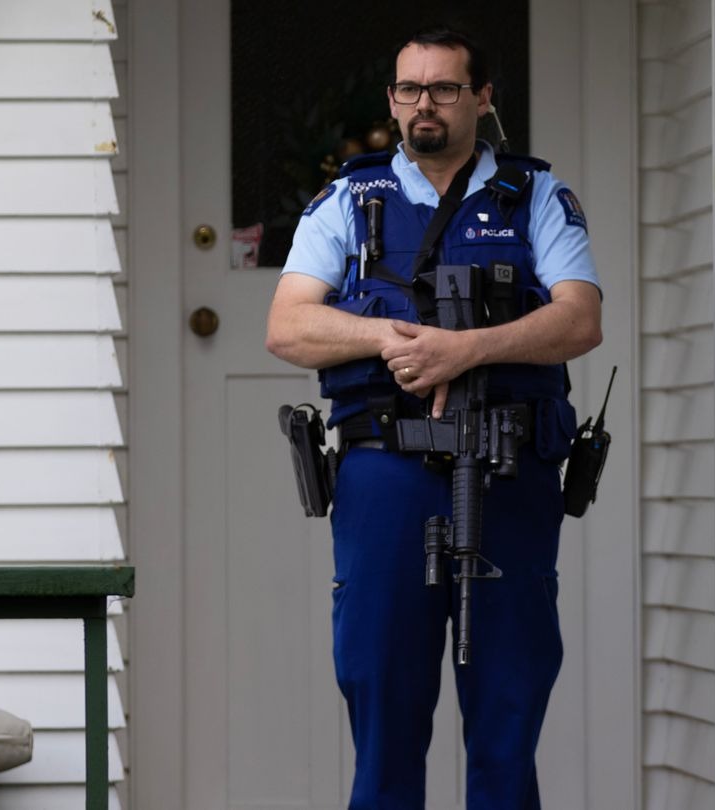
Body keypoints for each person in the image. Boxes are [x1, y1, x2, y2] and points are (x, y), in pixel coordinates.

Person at [264, 25, 602, 810]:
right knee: (382, 695)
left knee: (508, 704)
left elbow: (580, 320)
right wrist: (384, 335)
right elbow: (287, 327)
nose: (426, 105)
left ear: (481, 100)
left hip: (507, 468)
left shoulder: (537, 197)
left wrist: (466, 350)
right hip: (386, 471)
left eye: (445, 88)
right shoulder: (349, 199)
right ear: (392, 99)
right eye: (410, 89)